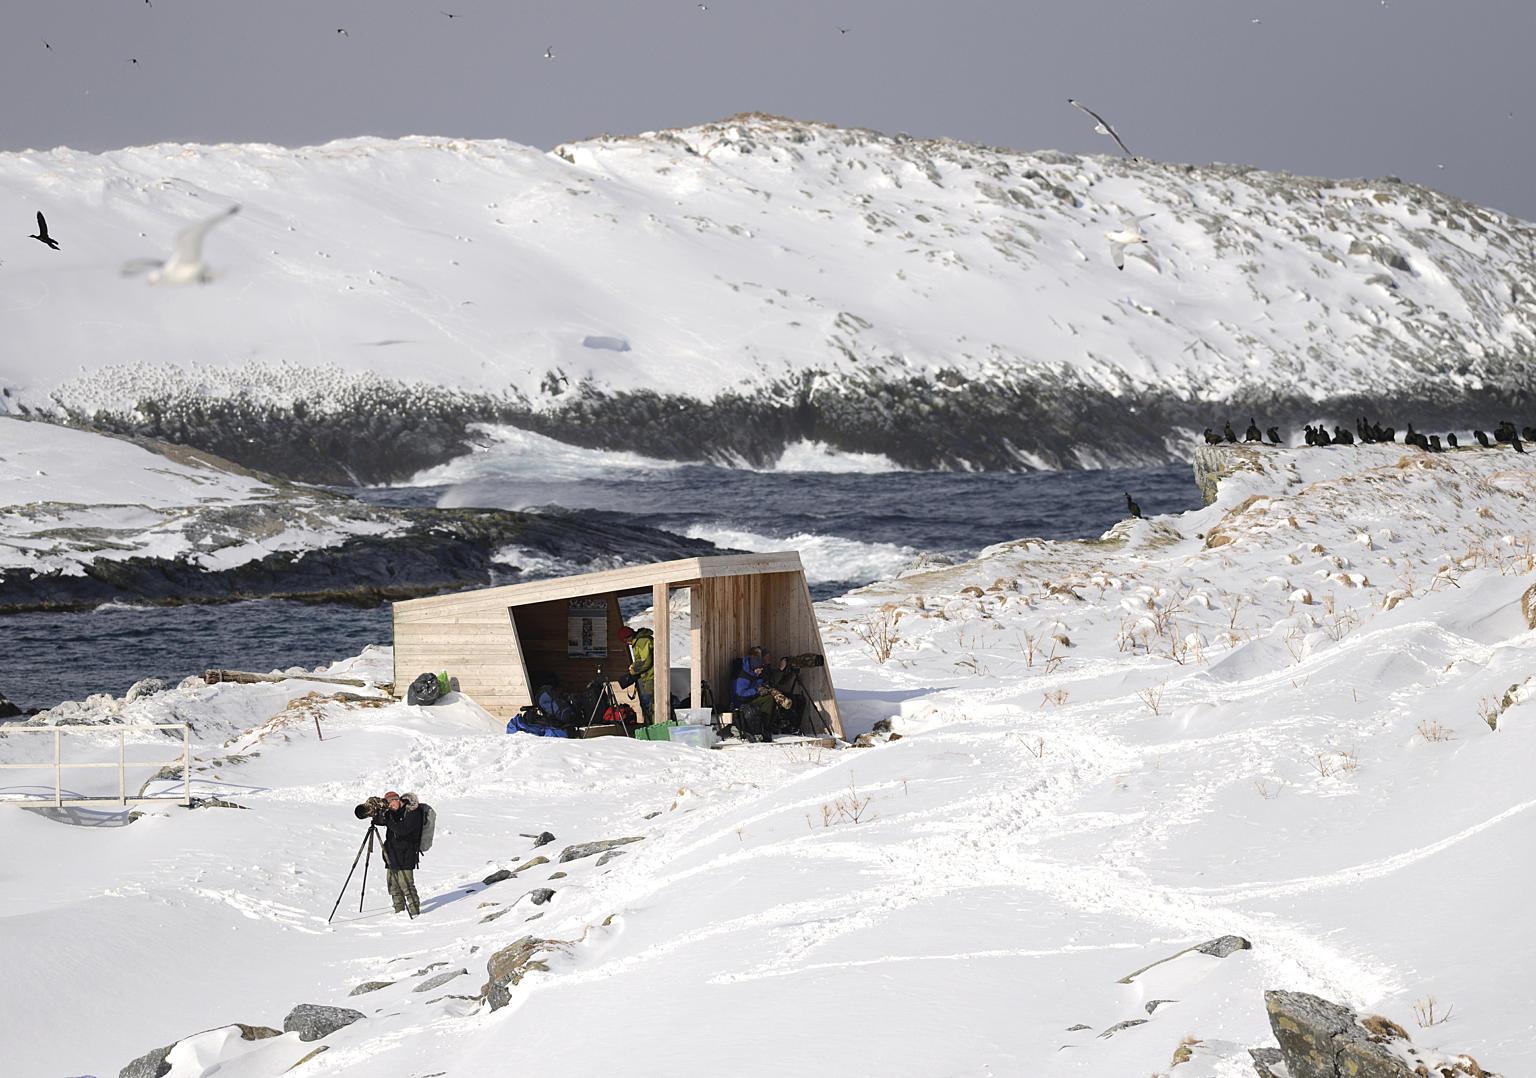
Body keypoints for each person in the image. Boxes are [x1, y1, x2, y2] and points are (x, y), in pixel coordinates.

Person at [353, 790, 425, 918]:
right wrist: (376, 816)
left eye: (392, 803)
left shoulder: (413, 811)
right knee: (392, 886)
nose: (390, 806)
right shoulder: (392, 812)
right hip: (392, 853)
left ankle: (415, 912)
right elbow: (385, 822)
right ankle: (399, 910)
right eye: (389, 804)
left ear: (397, 799)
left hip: (407, 854)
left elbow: (403, 830)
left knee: (406, 885)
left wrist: (386, 820)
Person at [729, 646, 793, 743]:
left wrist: (765, 688)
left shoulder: (755, 673)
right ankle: (764, 727)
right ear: (754, 668)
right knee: (769, 700)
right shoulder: (742, 677)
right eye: (758, 670)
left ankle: (768, 726)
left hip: (750, 697)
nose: (760, 672)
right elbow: (740, 695)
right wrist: (757, 691)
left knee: (772, 697)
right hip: (741, 702)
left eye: (761, 670)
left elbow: (760, 682)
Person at [618, 624, 655, 721]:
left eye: (626, 641)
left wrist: (633, 671)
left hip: (651, 677)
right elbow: (641, 660)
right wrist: (634, 665)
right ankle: (649, 725)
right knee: (647, 703)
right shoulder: (638, 642)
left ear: (629, 637)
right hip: (647, 677)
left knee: (649, 704)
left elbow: (646, 661)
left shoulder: (642, 641)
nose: (627, 643)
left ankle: (653, 726)